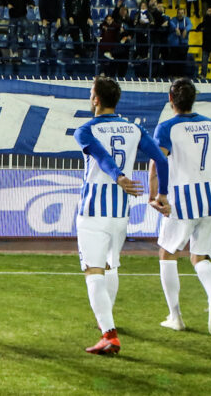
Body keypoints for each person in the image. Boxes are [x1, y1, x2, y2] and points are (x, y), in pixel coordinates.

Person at [72, 77, 170, 355]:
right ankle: (108, 321)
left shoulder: (85, 129)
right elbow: (162, 160)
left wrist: (118, 176)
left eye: (91, 93)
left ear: (96, 99)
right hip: (120, 213)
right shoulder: (134, 129)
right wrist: (161, 194)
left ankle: (109, 334)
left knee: (93, 270)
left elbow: (101, 155)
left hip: (93, 211)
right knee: (112, 265)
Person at [151, 78, 211, 335]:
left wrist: (156, 195)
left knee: (167, 253)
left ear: (171, 100)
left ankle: (176, 317)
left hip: (182, 201)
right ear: (193, 99)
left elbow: (157, 163)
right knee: (200, 256)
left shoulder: (167, 128)